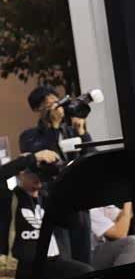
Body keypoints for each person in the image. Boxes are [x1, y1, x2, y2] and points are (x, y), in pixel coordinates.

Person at [0, 151, 92, 279]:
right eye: (33, 171)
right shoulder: (7, 199)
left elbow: (74, 224)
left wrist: (64, 183)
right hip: (20, 273)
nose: (38, 176)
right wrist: (31, 159)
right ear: (20, 174)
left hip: (49, 264)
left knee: (84, 273)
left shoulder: (47, 197)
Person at [19, 86, 94, 268]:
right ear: (38, 109)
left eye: (57, 101)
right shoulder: (29, 136)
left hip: (80, 202)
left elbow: (91, 158)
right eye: (49, 103)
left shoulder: (71, 131)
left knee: (85, 260)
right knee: (64, 260)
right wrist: (52, 127)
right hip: (53, 202)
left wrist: (82, 132)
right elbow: (43, 161)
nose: (56, 106)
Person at [90, 202, 135, 269]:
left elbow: (123, 217)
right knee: (132, 242)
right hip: (88, 256)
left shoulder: (106, 207)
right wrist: (127, 203)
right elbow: (119, 235)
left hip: (101, 249)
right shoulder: (91, 210)